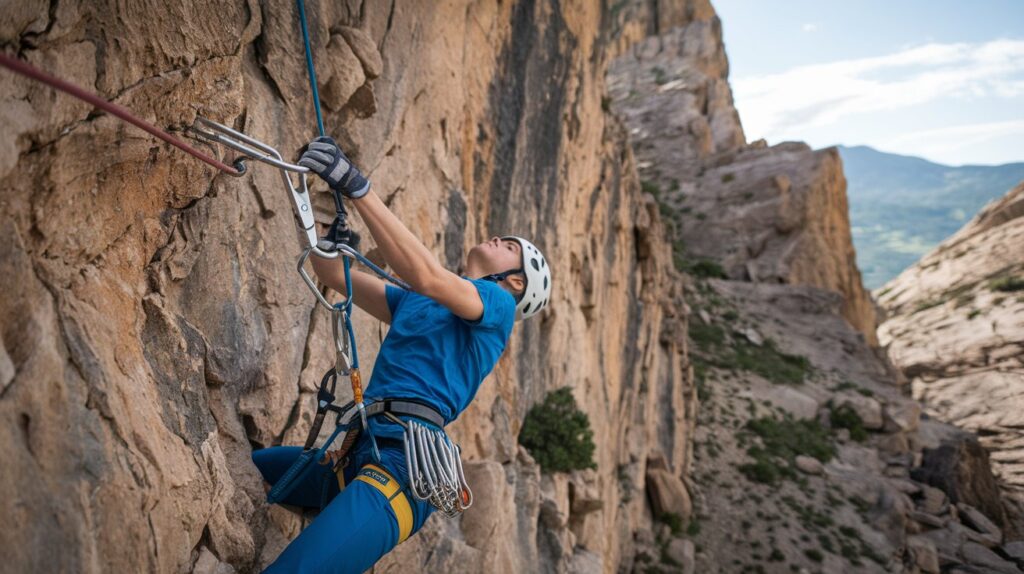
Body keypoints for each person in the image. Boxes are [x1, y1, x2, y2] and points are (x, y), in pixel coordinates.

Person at [251, 136, 552, 573]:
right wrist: (314, 217)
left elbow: (428, 275)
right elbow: (332, 273)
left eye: (509, 246)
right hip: (358, 451)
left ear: (517, 282)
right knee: (257, 465)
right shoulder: (420, 301)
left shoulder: (498, 307)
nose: (497, 237)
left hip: (402, 470)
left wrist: (357, 186)